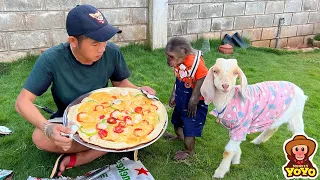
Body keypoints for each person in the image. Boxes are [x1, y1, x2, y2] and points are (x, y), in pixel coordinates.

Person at [14, 4, 155, 178]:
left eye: (105, 40)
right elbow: (22, 102)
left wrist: (139, 91)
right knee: (39, 137)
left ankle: (87, 156)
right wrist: (48, 128)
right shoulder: (51, 59)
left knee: (142, 124)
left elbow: (120, 83)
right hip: (71, 121)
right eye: (95, 43)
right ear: (73, 41)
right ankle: (117, 145)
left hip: (108, 114)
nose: (102, 48)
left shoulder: (111, 52)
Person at [164, 37, 208, 161]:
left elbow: (203, 78)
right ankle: (179, 137)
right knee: (177, 121)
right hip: (181, 97)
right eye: (167, 56)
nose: (168, 60)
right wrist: (174, 94)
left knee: (189, 127)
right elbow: (179, 77)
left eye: (171, 57)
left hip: (194, 102)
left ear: (184, 51)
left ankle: (189, 151)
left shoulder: (196, 63)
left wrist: (194, 100)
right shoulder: (180, 61)